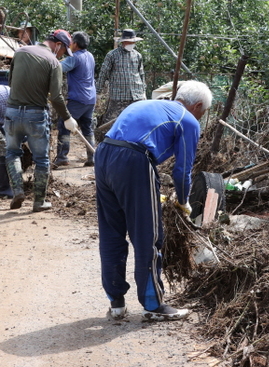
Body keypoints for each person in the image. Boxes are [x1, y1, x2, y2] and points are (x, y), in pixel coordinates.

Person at [94, 80, 213, 321]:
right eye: (203, 112)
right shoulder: (187, 120)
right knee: (148, 236)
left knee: (111, 233)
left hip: (103, 155)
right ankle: (154, 304)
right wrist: (183, 201)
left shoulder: (145, 104)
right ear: (197, 106)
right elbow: (182, 170)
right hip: (134, 160)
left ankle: (116, 302)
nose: (201, 117)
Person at [5, 29, 78, 212]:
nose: (62, 56)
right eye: (63, 51)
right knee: (42, 160)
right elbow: (56, 97)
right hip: (35, 115)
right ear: (58, 45)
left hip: (12, 112)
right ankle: (39, 202)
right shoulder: (53, 63)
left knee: (13, 153)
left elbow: (10, 81)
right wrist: (67, 118)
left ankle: (18, 191)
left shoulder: (20, 52)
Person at [53, 31, 96, 168]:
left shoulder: (75, 57)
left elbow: (58, 68)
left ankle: (62, 157)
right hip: (90, 99)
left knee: (64, 125)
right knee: (87, 128)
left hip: (78, 99)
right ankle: (92, 157)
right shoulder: (90, 56)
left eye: (71, 42)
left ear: (75, 44)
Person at [95, 28, 146, 131]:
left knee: (137, 123)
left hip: (136, 96)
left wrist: (143, 92)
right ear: (123, 42)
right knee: (113, 123)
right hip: (119, 97)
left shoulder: (137, 55)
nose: (132, 43)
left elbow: (141, 74)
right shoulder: (112, 55)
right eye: (130, 41)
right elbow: (103, 74)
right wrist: (98, 92)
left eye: (133, 41)